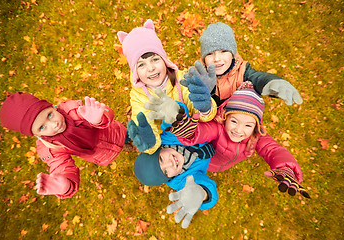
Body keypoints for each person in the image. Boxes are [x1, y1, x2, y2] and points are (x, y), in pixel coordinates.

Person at [147, 83, 310, 198]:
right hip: (207, 162)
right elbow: (200, 132)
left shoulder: (256, 137)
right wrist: (186, 129)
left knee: (218, 167)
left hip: (225, 165)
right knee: (204, 166)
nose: (239, 130)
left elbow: (274, 150)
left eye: (248, 124)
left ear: (256, 126)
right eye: (234, 121)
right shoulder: (218, 129)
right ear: (225, 118)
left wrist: (286, 167)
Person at [0, 92, 127, 199]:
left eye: (49, 115)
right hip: (104, 156)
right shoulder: (49, 147)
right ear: (35, 134)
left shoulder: (72, 110)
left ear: (52, 107)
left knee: (131, 137)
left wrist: (99, 118)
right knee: (129, 150)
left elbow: (104, 111)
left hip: (116, 131)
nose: (54, 124)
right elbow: (62, 167)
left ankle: (130, 139)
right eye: (42, 127)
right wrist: (65, 186)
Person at [117, 19, 218, 154]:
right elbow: (145, 122)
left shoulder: (182, 79)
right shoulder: (137, 96)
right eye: (141, 65)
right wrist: (149, 141)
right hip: (167, 141)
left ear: (164, 61)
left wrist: (205, 107)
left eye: (155, 59)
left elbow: (204, 116)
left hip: (191, 131)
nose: (151, 68)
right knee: (143, 168)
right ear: (135, 72)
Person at [130, 97, 217, 229]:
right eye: (166, 171)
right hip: (216, 151)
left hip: (209, 121)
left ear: (160, 148)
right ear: (169, 178)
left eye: (161, 159)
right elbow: (205, 187)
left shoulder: (169, 138)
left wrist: (174, 113)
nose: (170, 163)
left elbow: (176, 122)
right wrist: (202, 194)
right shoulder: (182, 180)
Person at [184, 22, 303, 107]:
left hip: (235, 125)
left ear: (233, 54)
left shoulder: (242, 71)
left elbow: (257, 78)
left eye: (223, 51)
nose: (217, 58)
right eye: (210, 54)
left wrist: (271, 82)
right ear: (204, 59)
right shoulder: (200, 75)